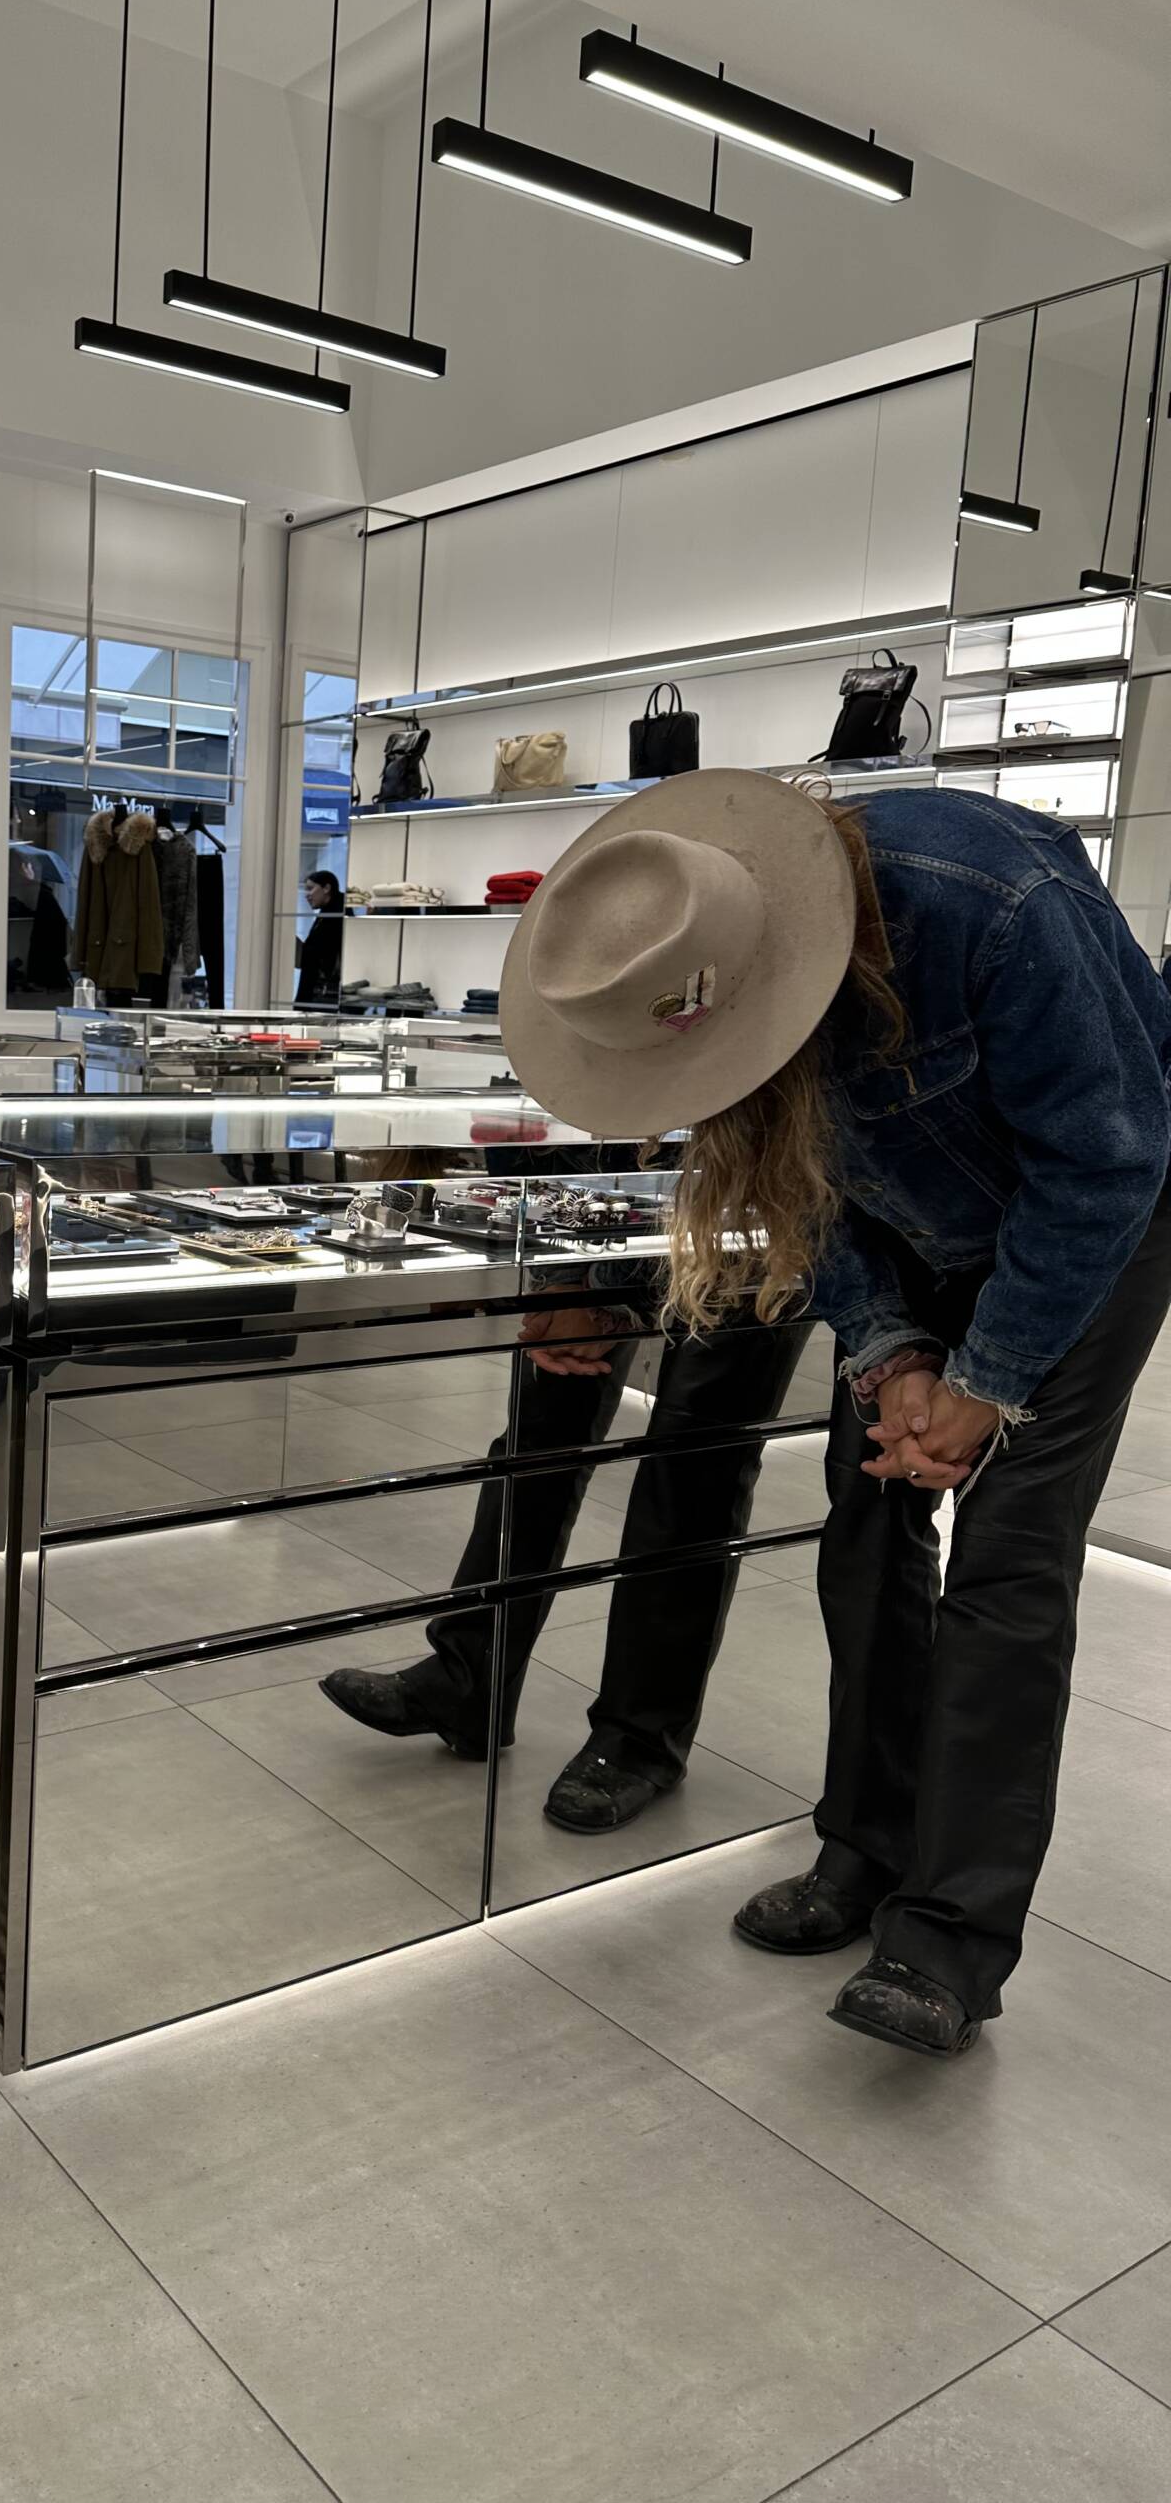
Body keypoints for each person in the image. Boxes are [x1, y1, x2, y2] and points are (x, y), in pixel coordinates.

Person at [495, 769, 1171, 2058]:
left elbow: (1106, 1162)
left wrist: (988, 1381)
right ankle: (862, 1851)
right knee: (868, 1516)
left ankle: (950, 1942)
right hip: (915, 1228)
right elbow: (799, 1183)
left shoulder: (993, 903)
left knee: (1010, 1557)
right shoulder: (693, 961)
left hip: (1106, 1217)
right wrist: (893, 1352)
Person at [321, 1304, 809, 1827]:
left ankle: (640, 1737)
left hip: (760, 1244)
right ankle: (466, 1680)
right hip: (625, 1229)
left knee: (692, 1468)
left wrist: (607, 1304)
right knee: (540, 1428)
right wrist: (591, 1295)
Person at [295, 869, 350, 1005]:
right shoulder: (328, 913)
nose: (307, 895)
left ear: (326, 888)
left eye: (310, 889)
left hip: (323, 993)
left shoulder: (336, 914)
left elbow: (320, 954)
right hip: (320, 992)